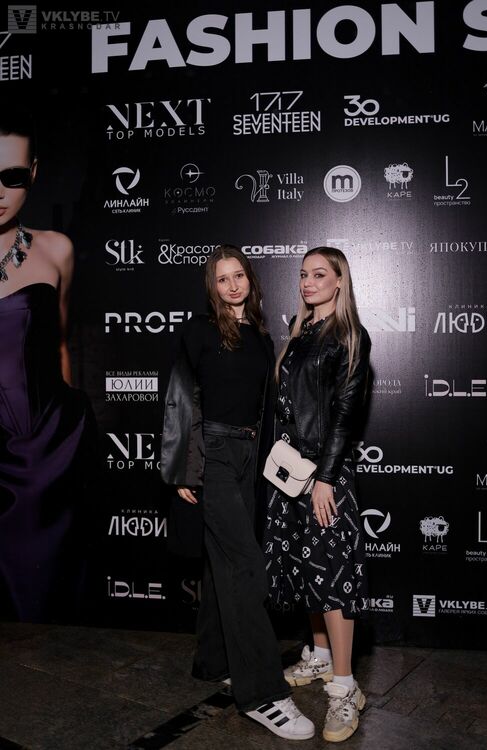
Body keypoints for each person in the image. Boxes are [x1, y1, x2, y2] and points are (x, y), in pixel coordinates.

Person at [161, 245, 314, 740]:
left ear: (250, 279)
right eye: (222, 279)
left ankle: (214, 661)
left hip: (250, 456)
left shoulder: (261, 336)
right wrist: (186, 469)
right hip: (214, 454)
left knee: (221, 561)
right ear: (212, 286)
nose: (232, 285)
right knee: (245, 566)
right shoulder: (199, 331)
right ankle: (263, 693)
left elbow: (265, 406)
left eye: (239, 276)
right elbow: (181, 397)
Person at [263, 246, 371, 743]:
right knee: (308, 570)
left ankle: (345, 688)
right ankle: (321, 656)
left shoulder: (349, 335)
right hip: (292, 470)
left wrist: (326, 477)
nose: (308, 282)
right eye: (303, 274)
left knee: (333, 579)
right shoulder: (301, 330)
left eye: (319, 274)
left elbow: (346, 413)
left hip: (325, 473)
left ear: (339, 281)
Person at [0, 113, 97, 622]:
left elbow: (59, 343)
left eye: (12, 176)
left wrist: (66, 434)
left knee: (45, 598)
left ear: (33, 173)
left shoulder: (56, 249)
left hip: (45, 447)